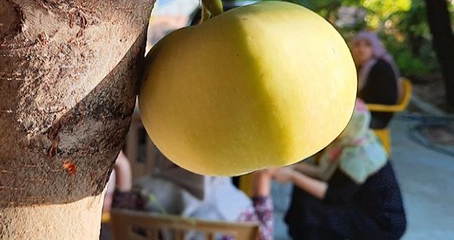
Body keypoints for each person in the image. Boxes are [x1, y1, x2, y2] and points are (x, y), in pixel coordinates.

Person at [273, 99, 407, 240]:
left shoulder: (359, 156)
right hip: (358, 202)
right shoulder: (352, 140)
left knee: (312, 208)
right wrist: (293, 168)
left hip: (381, 223)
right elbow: (328, 176)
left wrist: (293, 176)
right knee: (305, 189)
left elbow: (334, 194)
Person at [134, 153, 275, 240]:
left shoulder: (143, 194)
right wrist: (264, 178)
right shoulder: (239, 208)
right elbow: (264, 236)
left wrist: (122, 167)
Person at [350, 31, 401, 129]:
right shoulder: (362, 67)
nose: (361, 49)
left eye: (367, 45)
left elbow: (384, 99)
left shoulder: (381, 67)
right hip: (365, 112)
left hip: (376, 117)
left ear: (374, 48)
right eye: (357, 45)